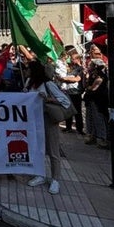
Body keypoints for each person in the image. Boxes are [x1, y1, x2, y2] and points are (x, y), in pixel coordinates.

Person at [25, 60, 71, 195]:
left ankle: (55, 179)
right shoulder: (28, 83)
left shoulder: (48, 84)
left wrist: (48, 99)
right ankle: (40, 174)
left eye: (28, 69)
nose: (26, 71)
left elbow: (65, 100)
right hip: (34, 119)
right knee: (37, 148)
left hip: (48, 119)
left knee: (53, 150)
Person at [83, 59, 109, 149]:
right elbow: (86, 86)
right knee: (90, 118)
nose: (89, 66)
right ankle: (92, 135)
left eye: (91, 65)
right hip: (90, 99)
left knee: (99, 119)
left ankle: (102, 138)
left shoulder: (100, 77)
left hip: (98, 101)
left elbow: (92, 88)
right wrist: (85, 78)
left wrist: (88, 87)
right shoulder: (92, 75)